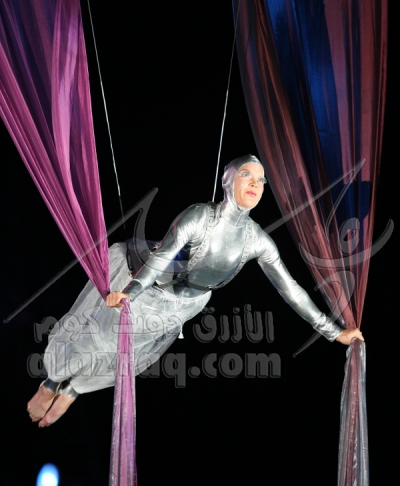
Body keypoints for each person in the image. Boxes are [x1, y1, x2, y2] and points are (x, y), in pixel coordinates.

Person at [27, 155, 364, 426]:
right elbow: (161, 257)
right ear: (228, 180)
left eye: (261, 180)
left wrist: (334, 332)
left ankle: (74, 388)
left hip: (180, 305)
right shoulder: (200, 216)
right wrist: (130, 291)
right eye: (247, 175)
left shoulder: (257, 240)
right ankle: (54, 381)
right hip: (138, 278)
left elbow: (290, 288)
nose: (255, 184)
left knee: (128, 354)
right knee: (98, 337)